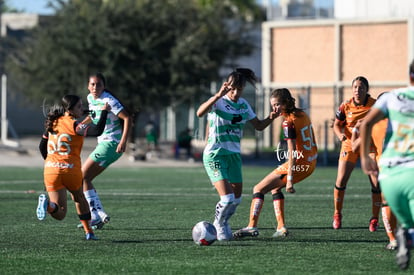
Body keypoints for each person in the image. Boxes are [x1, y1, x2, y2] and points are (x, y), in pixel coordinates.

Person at [196, 68, 277, 241]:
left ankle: (224, 221)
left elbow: (259, 126)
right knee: (227, 198)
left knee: (237, 199)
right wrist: (217, 95)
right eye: (232, 88)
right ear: (226, 85)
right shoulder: (218, 101)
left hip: (233, 156)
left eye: (239, 89)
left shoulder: (244, 105)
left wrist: (271, 117)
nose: (235, 92)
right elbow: (200, 112)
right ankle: (219, 223)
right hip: (215, 155)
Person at [233, 88, 318, 238]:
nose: (275, 108)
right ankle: (281, 227)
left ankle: (252, 226)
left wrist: (290, 179)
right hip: (310, 163)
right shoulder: (302, 114)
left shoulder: (288, 122)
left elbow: (292, 152)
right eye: (273, 105)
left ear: (286, 102)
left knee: (258, 188)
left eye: (277, 105)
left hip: (298, 164)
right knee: (275, 189)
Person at [360, 61, 414, 270]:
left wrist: (365, 157)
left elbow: (365, 123)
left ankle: (401, 236)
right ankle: (406, 235)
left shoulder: (391, 97)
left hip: (389, 173)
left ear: (409, 76)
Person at [36, 95, 110, 240]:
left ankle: (49, 206)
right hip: (70, 169)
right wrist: (105, 112)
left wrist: (51, 161)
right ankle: (89, 232)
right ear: (69, 109)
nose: (82, 108)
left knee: (60, 213)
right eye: (79, 106)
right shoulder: (75, 125)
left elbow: (41, 146)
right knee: (79, 198)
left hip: (51, 170)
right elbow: (97, 131)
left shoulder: (53, 122)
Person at [81, 72, 131, 228]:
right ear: (88, 86)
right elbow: (93, 115)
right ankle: (98, 214)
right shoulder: (91, 98)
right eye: (92, 84)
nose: (95, 87)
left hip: (111, 144)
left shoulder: (109, 100)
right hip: (103, 144)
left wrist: (123, 141)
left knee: (82, 176)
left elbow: (127, 118)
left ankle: (97, 214)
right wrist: (81, 124)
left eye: (99, 84)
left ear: (104, 86)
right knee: (85, 179)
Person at [331, 76, 381, 230]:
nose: (357, 90)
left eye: (361, 87)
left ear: (367, 90)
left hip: (369, 145)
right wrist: (341, 136)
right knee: (341, 180)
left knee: (375, 182)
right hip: (349, 145)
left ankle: (374, 218)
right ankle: (337, 214)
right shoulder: (345, 106)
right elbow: (336, 125)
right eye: (355, 87)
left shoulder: (375, 105)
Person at [351, 92, 397, 250]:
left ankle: (393, 240)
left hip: (386, 170)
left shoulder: (372, 126)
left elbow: (354, 147)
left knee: (387, 203)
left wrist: (356, 130)